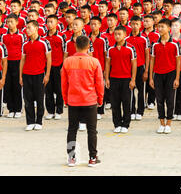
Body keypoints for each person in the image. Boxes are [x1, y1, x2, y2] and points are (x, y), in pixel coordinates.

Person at [61, 35, 104, 167]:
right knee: (92, 130)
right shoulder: (94, 62)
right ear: (88, 46)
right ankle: (92, 157)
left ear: (75, 46)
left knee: (72, 129)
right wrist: (100, 98)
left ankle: (71, 158)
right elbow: (99, 83)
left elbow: (64, 82)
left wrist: (65, 98)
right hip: (90, 100)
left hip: (73, 100)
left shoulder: (67, 61)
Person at [149, 18, 181, 134]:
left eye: (163, 27)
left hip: (171, 74)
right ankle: (161, 123)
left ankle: (169, 123)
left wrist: (177, 78)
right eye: (159, 27)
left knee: (170, 99)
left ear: (169, 28)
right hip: (158, 74)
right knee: (159, 99)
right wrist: (151, 77)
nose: (160, 29)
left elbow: (178, 62)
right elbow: (152, 61)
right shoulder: (155, 45)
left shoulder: (175, 44)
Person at [19, 20, 52, 131]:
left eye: (29, 27)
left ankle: (39, 121)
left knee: (39, 99)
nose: (27, 30)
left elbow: (49, 59)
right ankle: (30, 121)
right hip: (27, 74)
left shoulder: (44, 42)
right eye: (26, 28)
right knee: (27, 100)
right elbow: (22, 60)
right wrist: (20, 76)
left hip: (39, 74)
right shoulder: (25, 44)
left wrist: (47, 75)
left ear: (36, 28)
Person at [104, 25, 137, 134]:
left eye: (119, 34)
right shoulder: (110, 49)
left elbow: (134, 65)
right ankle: (117, 124)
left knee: (126, 102)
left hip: (126, 79)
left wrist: (133, 79)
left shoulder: (130, 48)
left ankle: (125, 124)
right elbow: (107, 64)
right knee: (115, 103)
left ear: (125, 35)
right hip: (114, 79)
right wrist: (107, 78)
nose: (117, 36)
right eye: (115, 34)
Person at [0, 14, 27, 118]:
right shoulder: (3, 36)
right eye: (7, 22)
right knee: (8, 85)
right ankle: (11, 109)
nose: (9, 24)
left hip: (18, 62)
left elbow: (24, 50)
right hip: (7, 62)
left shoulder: (21, 35)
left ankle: (18, 109)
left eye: (11, 22)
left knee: (17, 86)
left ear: (17, 22)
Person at [126, 16, 150, 121]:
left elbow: (147, 55)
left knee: (141, 91)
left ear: (140, 25)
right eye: (133, 24)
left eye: (137, 24)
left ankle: (140, 111)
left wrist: (146, 70)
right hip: (129, 68)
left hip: (141, 67)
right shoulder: (126, 39)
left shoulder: (144, 38)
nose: (135, 26)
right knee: (130, 90)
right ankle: (132, 111)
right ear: (130, 24)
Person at [43, 15, 66, 120]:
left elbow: (65, 52)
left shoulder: (61, 36)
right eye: (47, 22)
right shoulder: (44, 37)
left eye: (51, 22)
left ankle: (59, 111)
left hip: (58, 66)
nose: (49, 24)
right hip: (47, 66)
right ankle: (50, 111)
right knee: (48, 89)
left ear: (57, 23)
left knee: (59, 89)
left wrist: (63, 65)